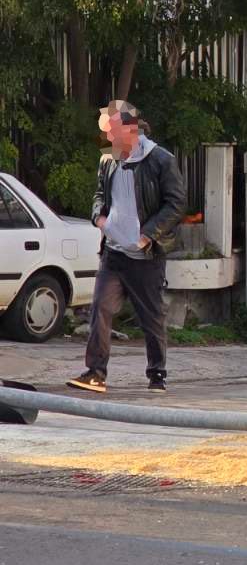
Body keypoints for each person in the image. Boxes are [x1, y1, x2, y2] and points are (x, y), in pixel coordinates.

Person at [69, 100, 187, 394]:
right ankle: (95, 373)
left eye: (108, 133)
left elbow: (176, 204)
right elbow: (99, 193)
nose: (104, 140)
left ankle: (157, 374)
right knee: (101, 309)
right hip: (114, 253)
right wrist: (98, 215)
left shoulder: (160, 160)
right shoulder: (108, 160)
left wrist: (148, 235)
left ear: (129, 130)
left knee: (151, 317)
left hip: (144, 255)